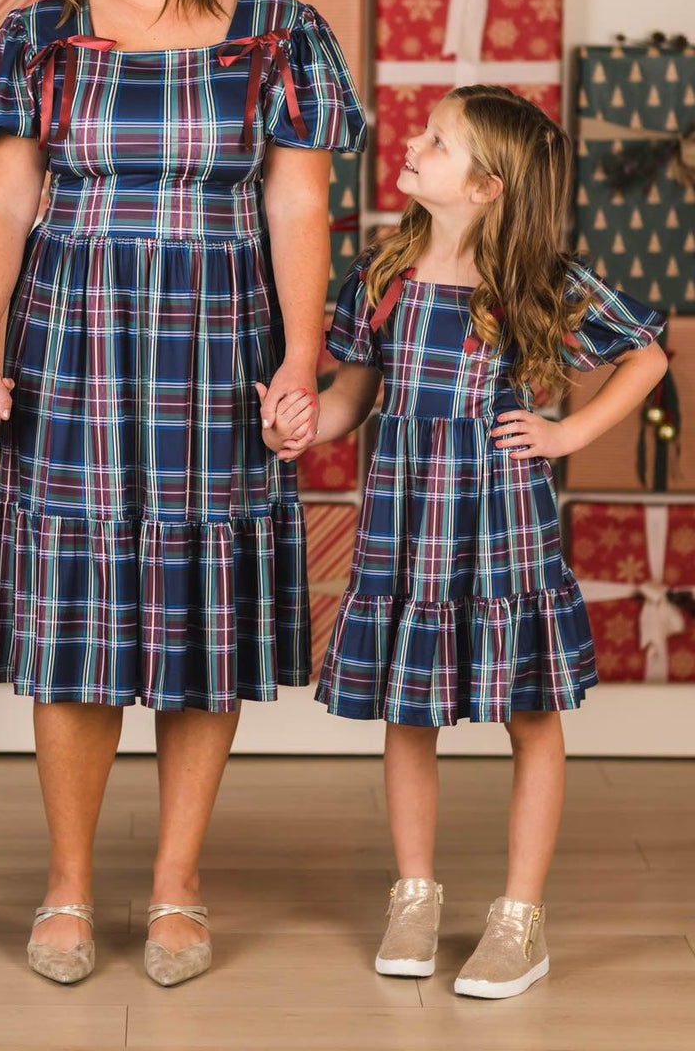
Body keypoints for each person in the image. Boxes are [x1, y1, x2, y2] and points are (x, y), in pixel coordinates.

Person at [0, 0, 365, 985]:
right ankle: (69, 886)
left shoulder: (280, 31)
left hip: (219, 341)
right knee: (74, 615)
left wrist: (299, 358)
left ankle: (179, 884)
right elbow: (0, 204)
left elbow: (297, 205)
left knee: (201, 615)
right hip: (70, 341)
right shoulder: (38, 35)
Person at [261, 85, 666, 1000]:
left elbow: (647, 352)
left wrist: (566, 433)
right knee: (411, 709)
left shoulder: (536, 282)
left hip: (501, 523)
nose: (412, 142)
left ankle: (520, 917)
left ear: (487, 188)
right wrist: (302, 426)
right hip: (407, 525)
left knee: (532, 714)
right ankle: (414, 895)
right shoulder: (383, 273)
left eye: (437, 141)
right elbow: (352, 395)